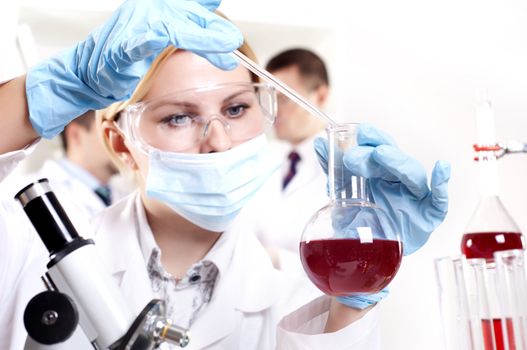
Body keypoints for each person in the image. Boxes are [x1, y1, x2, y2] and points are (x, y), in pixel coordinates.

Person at [0, 0, 451, 349]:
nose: (218, 140)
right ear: (120, 143)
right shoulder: (31, 254)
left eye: (236, 109)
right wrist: (44, 96)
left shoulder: (295, 295)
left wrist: (354, 296)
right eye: (178, 117)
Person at [240, 48, 331, 263]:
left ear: (320, 95)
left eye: (283, 99)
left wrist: (273, 259)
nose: (274, 111)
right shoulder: (266, 158)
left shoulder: (343, 168)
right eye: (269, 100)